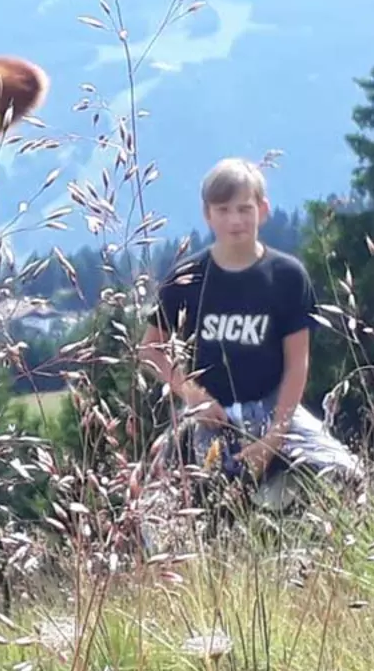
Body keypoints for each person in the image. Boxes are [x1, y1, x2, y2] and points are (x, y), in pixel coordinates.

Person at [140, 157, 362, 492]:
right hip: (211, 412)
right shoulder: (186, 278)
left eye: (245, 209)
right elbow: (150, 349)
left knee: (348, 476)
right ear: (207, 214)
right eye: (223, 210)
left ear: (263, 209)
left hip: (275, 407)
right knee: (158, 498)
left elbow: (297, 363)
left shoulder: (287, 276)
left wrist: (275, 436)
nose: (235, 220)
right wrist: (192, 395)